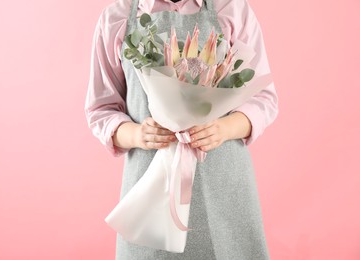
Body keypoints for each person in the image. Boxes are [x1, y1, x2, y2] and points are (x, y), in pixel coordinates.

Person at [84, 0, 278, 258]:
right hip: (150, 189)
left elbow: (263, 98)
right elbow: (101, 109)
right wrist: (137, 134)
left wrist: (224, 128)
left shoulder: (231, 9)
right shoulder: (116, 19)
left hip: (224, 186)